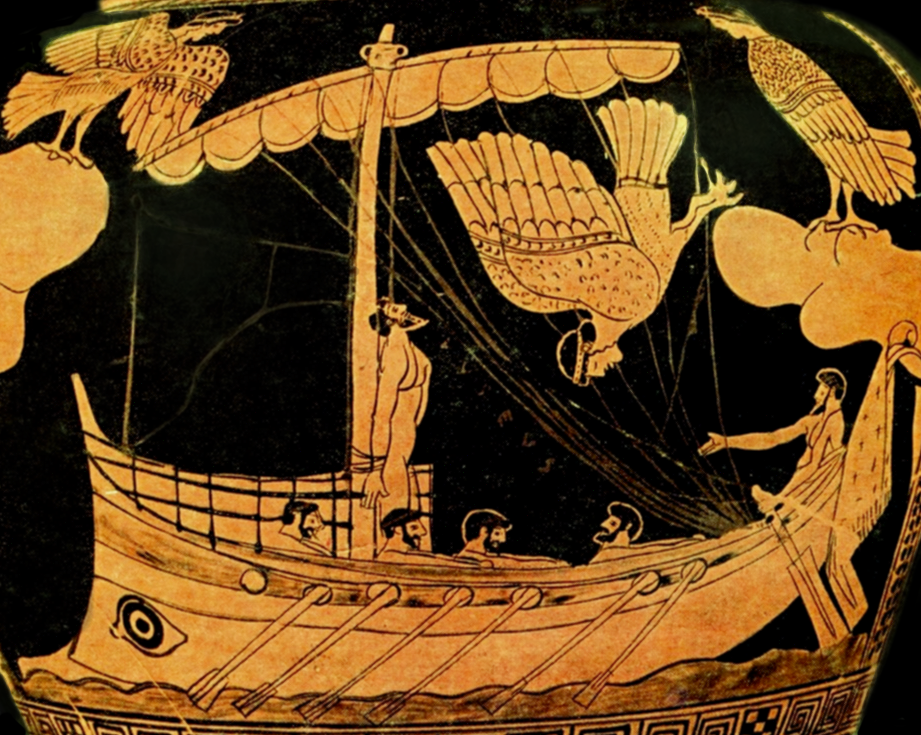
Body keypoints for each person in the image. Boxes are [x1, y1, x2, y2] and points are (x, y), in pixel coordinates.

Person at [699, 368, 847, 506]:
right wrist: (726, 441)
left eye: (821, 391)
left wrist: (781, 498)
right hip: (803, 481)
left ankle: (780, 501)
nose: (815, 395)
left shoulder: (834, 421)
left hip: (814, 487)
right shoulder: (813, 421)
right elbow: (773, 438)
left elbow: (815, 465)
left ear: (832, 391)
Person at [361, 299, 432, 523]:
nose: (403, 307)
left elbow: (418, 406)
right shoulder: (397, 355)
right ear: (390, 320)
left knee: (403, 505)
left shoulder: (412, 352)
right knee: (396, 508)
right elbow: (383, 413)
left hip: (403, 439)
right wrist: (376, 467)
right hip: (393, 442)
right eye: (394, 308)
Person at [590, 502, 704, 563]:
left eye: (612, 523)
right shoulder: (607, 553)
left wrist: (691, 542)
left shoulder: (614, 554)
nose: (603, 525)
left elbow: (656, 548)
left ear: (628, 526)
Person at [455, 509, 567, 568]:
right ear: (483, 531)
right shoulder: (476, 560)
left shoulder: (481, 556)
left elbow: (515, 559)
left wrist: (552, 562)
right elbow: (513, 563)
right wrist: (554, 565)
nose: (503, 540)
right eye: (498, 533)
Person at [377, 508, 476, 566]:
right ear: (397, 530)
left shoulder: (408, 555)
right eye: (414, 527)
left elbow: (433, 557)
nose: (423, 532)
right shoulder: (391, 557)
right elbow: (431, 561)